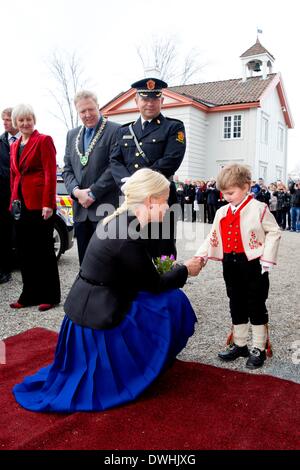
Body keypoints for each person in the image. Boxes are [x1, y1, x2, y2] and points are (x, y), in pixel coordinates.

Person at [13, 169, 202, 412]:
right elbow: (154, 284)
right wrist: (185, 269)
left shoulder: (115, 220)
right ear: (150, 200)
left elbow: (136, 274)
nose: (167, 207)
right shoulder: (128, 234)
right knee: (173, 300)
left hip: (84, 310)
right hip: (97, 321)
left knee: (163, 297)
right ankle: (147, 364)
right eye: (165, 200)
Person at [196, 164, 281, 369]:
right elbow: (213, 236)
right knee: (236, 302)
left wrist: (267, 259)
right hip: (230, 264)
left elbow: (274, 231)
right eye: (223, 193)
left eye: (231, 192)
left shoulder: (259, 209)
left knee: (256, 303)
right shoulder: (222, 211)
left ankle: (258, 347)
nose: (226, 197)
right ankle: (240, 344)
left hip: (253, 264)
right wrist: (201, 255)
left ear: (246, 186)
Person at [110, 77, 186, 258]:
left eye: (154, 98)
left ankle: (163, 285)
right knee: (131, 248)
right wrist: (126, 184)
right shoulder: (124, 131)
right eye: (145, 98)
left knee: (162, 250)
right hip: (131, 199)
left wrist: (138, 182)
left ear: (162, 101)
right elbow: (115, 160)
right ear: (136, 101)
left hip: (160, 199)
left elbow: (172, 159)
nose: (149, 103)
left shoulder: (174, 127)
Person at [9, 104, 60, 311]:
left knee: (44, 251)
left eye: (28, 119)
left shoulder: (44, 140)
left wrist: (48, 203)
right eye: (21, 120)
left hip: (41, 205)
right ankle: (29, 295)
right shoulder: (15, 145)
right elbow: (14, 176)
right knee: (25, 252)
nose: (25, 123)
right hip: (20, 205)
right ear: (16, 123)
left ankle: (50, 295)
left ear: (34, 120)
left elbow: (50, 173)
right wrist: (12, 202)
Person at [63, 90, 121, 265]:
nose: (87, 115)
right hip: (80, 210)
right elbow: (67, 169)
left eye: (91, 109)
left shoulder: (115, 130)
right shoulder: (72, 135)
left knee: (107, 261)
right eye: (82, 111)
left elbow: (114, 167)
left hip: (105, 208)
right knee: (85, 262)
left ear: (98, 106)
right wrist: (76, 192)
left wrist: (93, 193)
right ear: (77, 111)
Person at [0, 108, 20, 284]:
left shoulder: (26, 139)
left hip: (24, 196)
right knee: (4, 235)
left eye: (7, 120)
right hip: (4, 197)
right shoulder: (0, 141)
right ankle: (5, 270)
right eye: (3, 120)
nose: (5, 123)